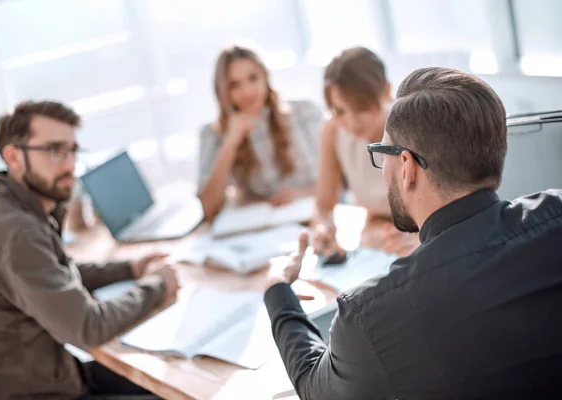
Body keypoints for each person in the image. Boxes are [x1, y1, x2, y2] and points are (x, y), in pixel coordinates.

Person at [264, 67, 562, 399]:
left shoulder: (368, 317)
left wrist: (278, 290)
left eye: (384, 153)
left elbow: (314, 386)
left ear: (406, 167)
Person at [0, 101, 180, 399]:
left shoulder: (10, 208)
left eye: (72, 150)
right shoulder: (14, 231)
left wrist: (129, 269)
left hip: (61, 375)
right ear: (12, 156)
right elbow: (89, 327)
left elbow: (57, 274)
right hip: (45, 393)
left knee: (168, 373)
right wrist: (158, 285)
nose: (69, 165)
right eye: (54, 150)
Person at [314, 47, 419, 258]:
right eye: (340, 111)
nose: (351, 122)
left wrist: (419, 241)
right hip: (375, 245)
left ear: (386, 91)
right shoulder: (333, 131)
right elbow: (323, 206)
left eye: (360, 107)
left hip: (420, 243)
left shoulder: (415, 128)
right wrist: (322, 230)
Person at [198, 44, 323, 219]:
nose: (247, 91)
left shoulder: (305, 113)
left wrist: (300, 194)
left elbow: (342, 181)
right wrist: (230, 143)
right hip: (263, 229)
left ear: (265, 76)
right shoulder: (213, 134)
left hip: (316, 215)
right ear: (223, 91)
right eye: (234, 85)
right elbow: (208, 208)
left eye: (253, 78)